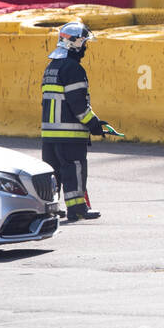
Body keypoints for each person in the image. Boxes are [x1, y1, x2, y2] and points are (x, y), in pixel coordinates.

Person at [41, 21, 111, 222]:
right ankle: (78, 209)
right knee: (74, 170)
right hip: (69, 135)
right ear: (75, 44)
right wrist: (94, 124)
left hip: (50, 135)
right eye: (84, 43)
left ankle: (51, 209)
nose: (85, 48)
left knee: (53, 176)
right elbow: (78, 104)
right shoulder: (73, 69)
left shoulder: (51, 67)